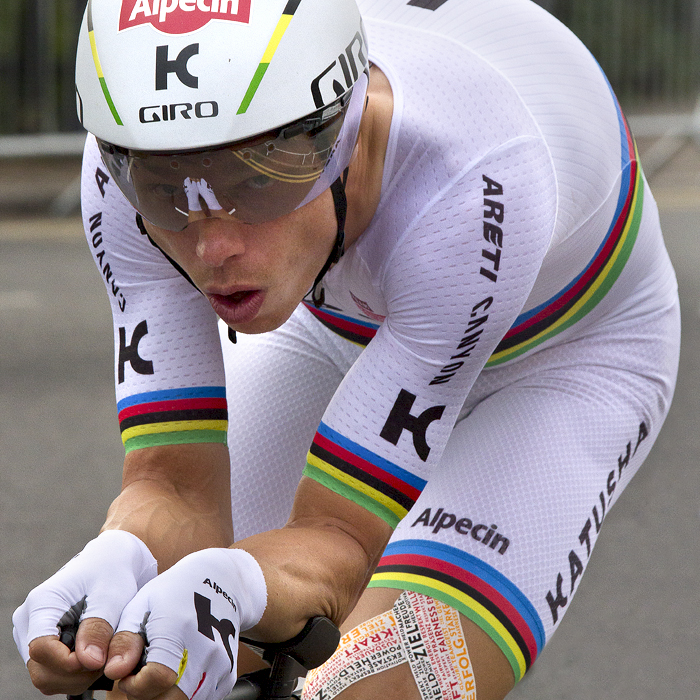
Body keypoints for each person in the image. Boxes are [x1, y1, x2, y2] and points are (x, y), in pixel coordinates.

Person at [13, 0, 681, 699]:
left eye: (256, 182)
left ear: (342, 134)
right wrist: (123, 552)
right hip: (342, 331)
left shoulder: (472, 175)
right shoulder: (124, 165)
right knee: (146, 663)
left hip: (559, 360)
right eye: (166, 190)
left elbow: (337, 543)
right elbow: (175, 488)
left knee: (375, 685)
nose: (213, 247)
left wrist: (237, 583)